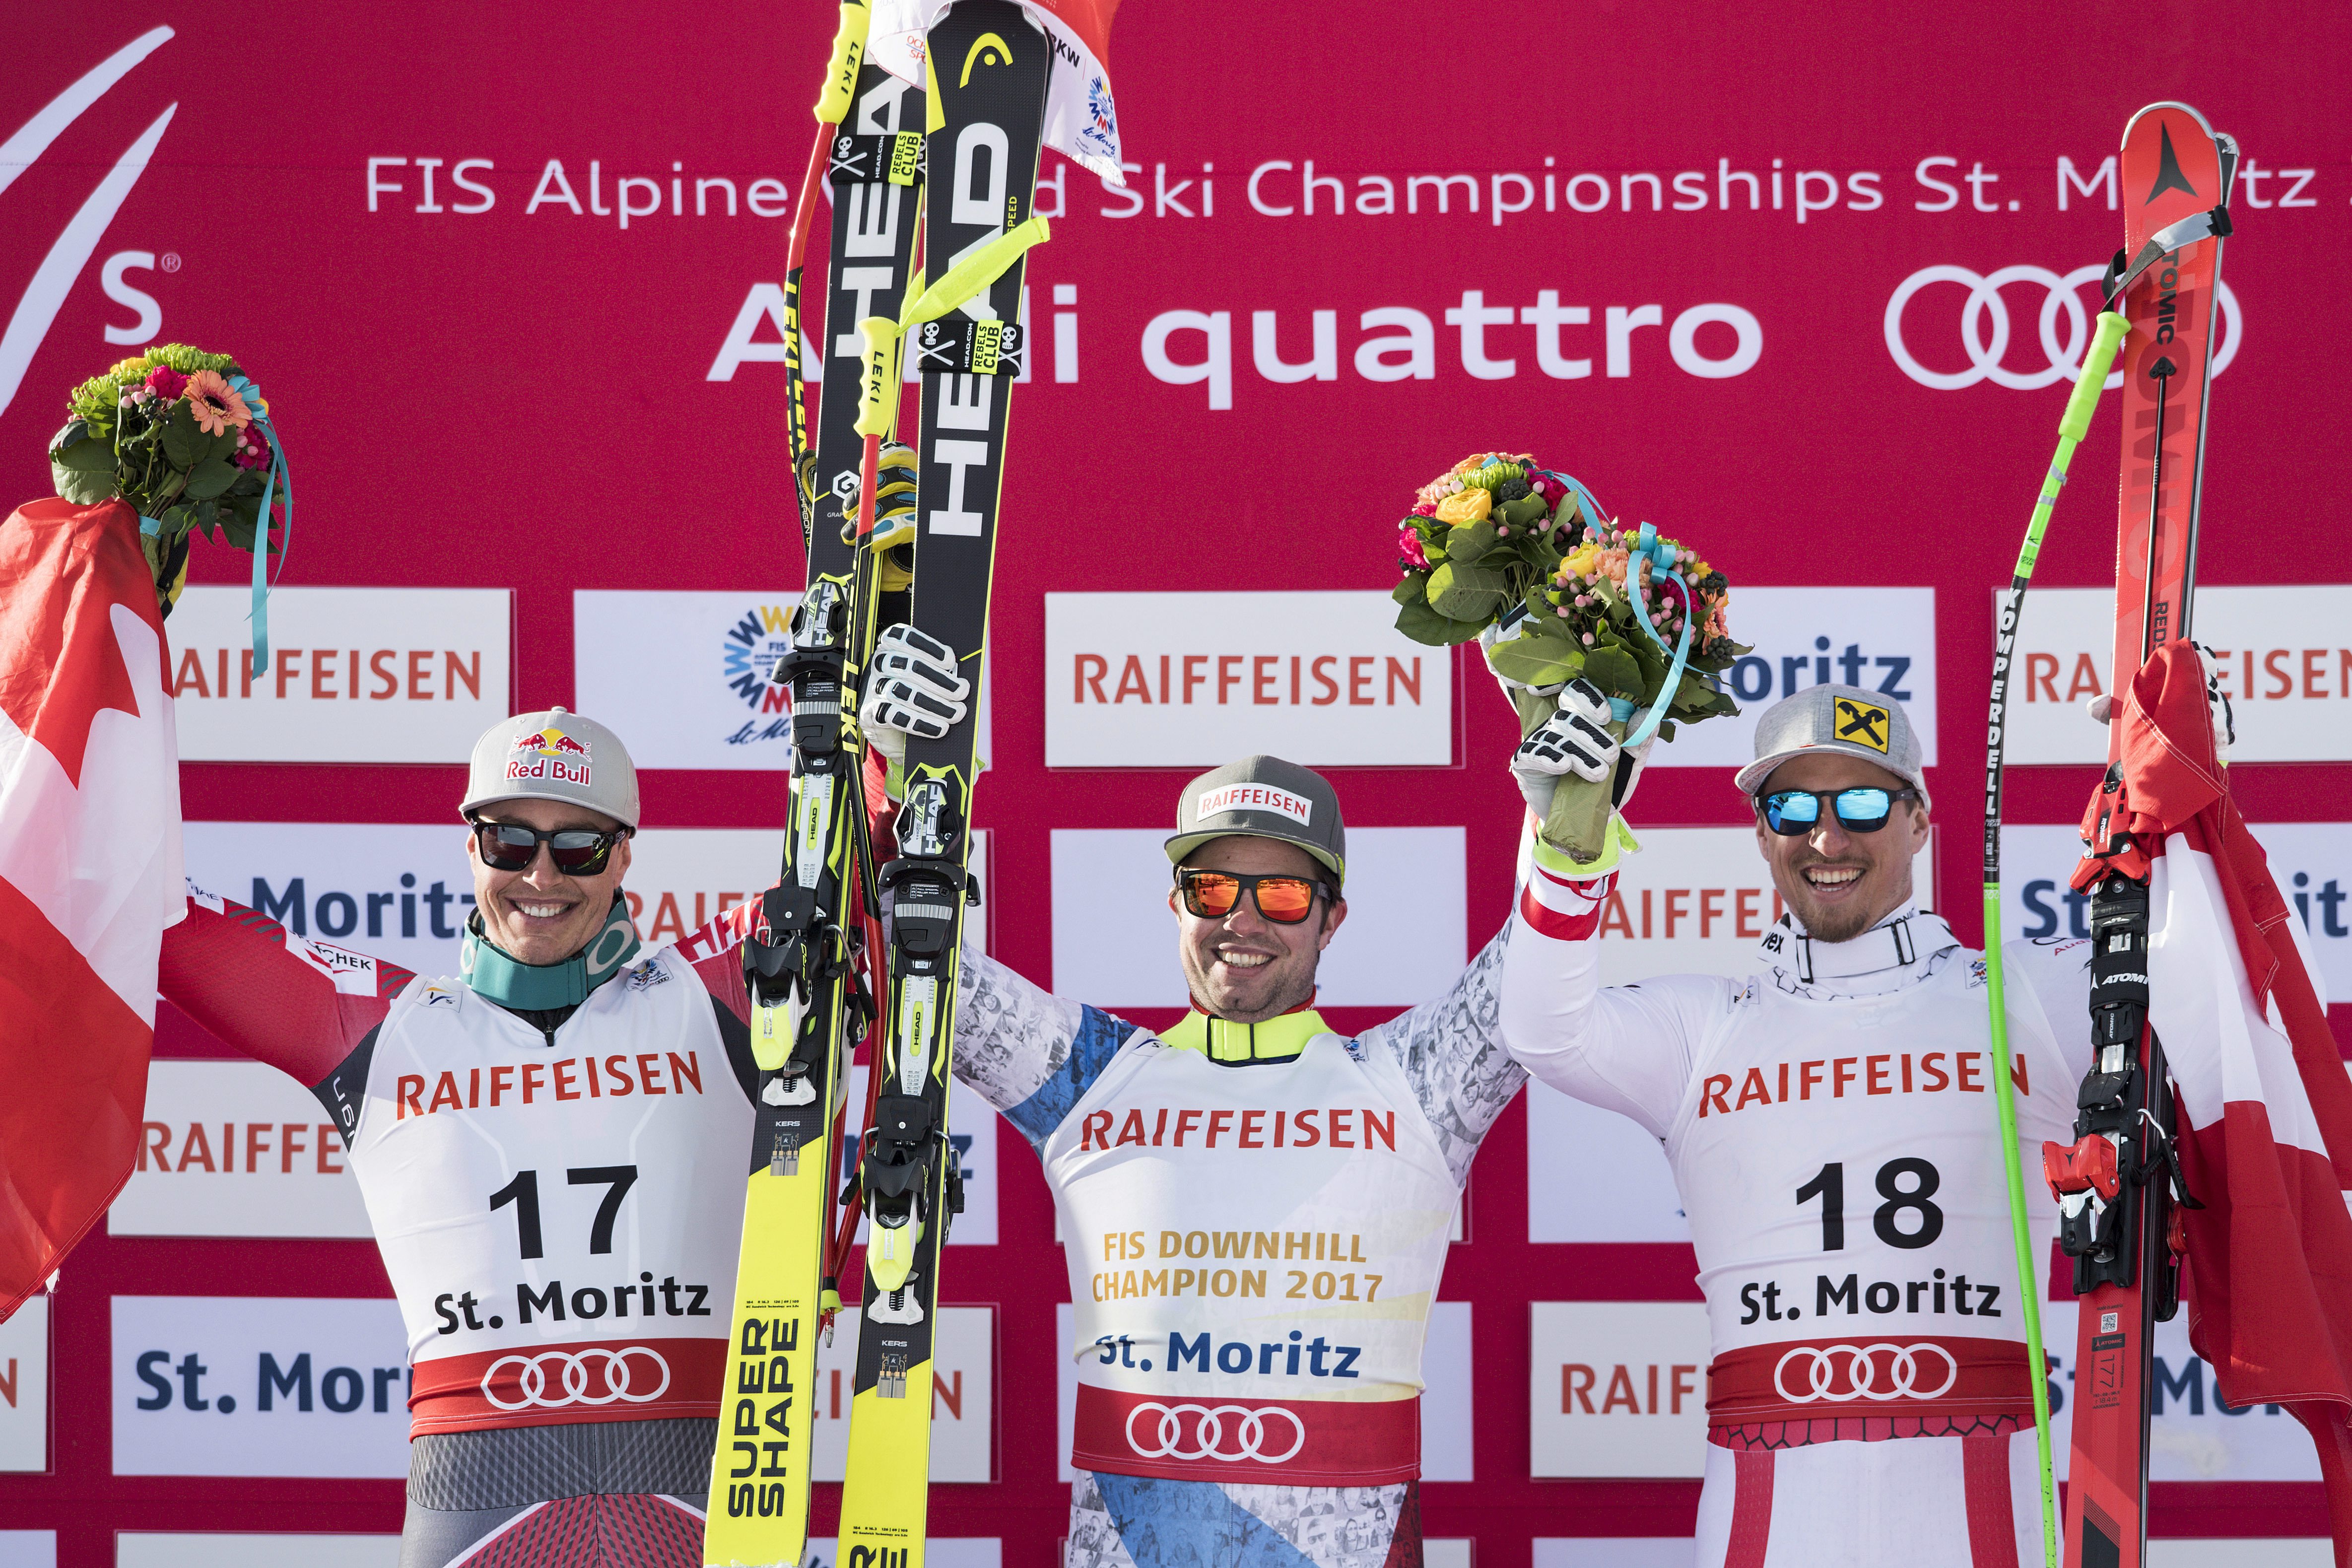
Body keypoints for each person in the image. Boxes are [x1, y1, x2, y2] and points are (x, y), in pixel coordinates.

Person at [864, 629, 1526, 1568]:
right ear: (1175, 902)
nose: (1241, 919)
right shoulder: (1092, 1075)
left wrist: (1572, 831)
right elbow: (915, 969)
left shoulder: (1413, 1081)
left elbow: (1532, 987)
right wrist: (909, 783)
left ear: (1334, 917)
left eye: (1284, 896)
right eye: (1211, 887)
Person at [1498, 680, 2092, 1568]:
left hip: (1992, 1510)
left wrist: (2199, 805)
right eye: (1791, 808)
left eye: (1861, 802)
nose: (1826, 838)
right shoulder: (1708, 1027)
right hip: (1769, 1522)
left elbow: (2214, 995)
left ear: (1921, 823)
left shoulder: (2021, 997)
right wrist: (1564, 854)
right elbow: (1543, 1030)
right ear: (1760, 832)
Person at [158, 707, 766, 1567]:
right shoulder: (381, 1028)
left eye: (579, 847)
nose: (540, 875)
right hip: (479, 1512)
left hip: (697, 1497)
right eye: (510, 842)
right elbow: (136, 907)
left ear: (626, 852)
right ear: (470, 844)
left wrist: (894, 763)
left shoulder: (716, 989)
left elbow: (880, 886)